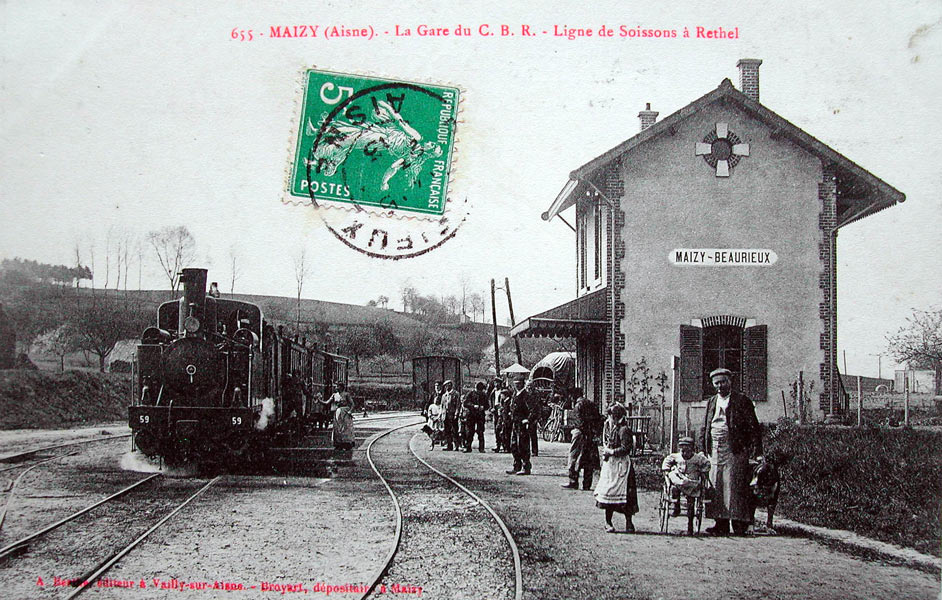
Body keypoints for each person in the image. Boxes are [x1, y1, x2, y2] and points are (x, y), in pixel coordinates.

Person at [700, 367, 763, 536]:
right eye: (716, 383)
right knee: (716, 483)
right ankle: (720, 523)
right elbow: (705, 425)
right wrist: (702, 447)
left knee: (734, 485)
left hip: (735, 448)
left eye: (723, 382)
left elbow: (753, 428)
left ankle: (738, 523)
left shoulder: (741, 401)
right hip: (715, 449)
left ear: (730, 382)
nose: (720, 386)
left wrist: (757, 451)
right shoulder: (712, 401)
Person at [593, 403, 638, 533]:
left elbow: (626, 448)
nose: (610, 419)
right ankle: (608, 522)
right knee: (609, 491)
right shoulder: (613, 428)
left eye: (612, 416)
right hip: (611, 465)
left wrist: (611, 452)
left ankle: (629, 522)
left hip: (622, 465)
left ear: (616, 416)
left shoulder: (624, 430)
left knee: (627, 495)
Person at [662, 436, 711, 531]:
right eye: (682, 451)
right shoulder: (676, 456)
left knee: (691, 501)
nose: (684, 453)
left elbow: (707, 464)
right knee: (674, 488)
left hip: (691, 482)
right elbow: (667, 461)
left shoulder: (697, 458)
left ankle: (690, 523)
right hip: (679, 479)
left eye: (687, 451)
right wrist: (667, 470)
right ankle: (677, 505)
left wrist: (702, 471)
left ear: (692, 450)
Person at [561, 387, 601, 491]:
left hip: (580, 434)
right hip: (591, 435)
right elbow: (598, 419)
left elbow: (579, 422)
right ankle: (587, 484)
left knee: (574, 456)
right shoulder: (591, 404)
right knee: (588, 459)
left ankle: (573, 481)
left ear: (573, 396)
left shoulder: (578, 406)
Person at [506, 379, 533, 475]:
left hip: (522, 424)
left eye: (519, 384)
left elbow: (533, 409)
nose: (517, 386)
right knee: (514, 445)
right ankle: (517, 466)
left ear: (523, 384)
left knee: (523, 445)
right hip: (515, 423)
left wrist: (528, 419)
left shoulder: (526, 396)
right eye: (515, 384)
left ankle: (526, 467)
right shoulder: (515, 394)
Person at [462, 381, 488, 453]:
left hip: (480, 416)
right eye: (477, 390)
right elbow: (465, 403)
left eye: (480, 390)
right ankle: (468, 447)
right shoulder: (470, 394)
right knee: (470, 432)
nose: (479, 392)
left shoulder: (484, 395)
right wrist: (473, 406)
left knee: (480, 432)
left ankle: (481, 448)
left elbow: (487, 405)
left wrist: (483, 407)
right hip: (471, 415)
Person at [330, 382, 355, 450]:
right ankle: (338, 443)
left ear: (341, 387)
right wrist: (318, 400)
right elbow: (327, 402)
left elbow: (352, 404)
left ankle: (346, 443)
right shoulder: (334, 395)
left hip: (345, 412)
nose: (336, 388)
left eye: (337, 386)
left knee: (345, 427)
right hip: (338, 412)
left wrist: (350, 411)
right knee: (337, 427)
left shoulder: (346, 394)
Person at [441, 380, 461, 451]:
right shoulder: (444, 395)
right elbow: (442, 406)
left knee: (454, 430)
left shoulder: (455, 394)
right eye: (445, 386)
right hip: (445, 415)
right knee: (447, 431)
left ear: (451, 385)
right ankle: (449, 445)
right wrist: (441, 414)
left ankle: (456, 445)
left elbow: (458, 405)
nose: (446, 387)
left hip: (452, 415)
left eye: (448, 385)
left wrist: (456, 413)